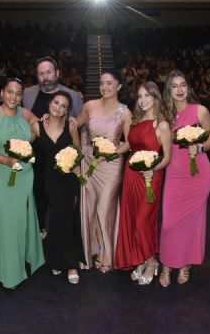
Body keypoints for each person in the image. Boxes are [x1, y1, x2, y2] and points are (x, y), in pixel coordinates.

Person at [0, 78, 44, 288]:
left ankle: (22, 259)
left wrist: (31, 137)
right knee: (5, 223)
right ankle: (9, 273)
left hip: (23, 175)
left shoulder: (24, 113)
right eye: (10, 92)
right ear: (2, 93)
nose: (14, 97)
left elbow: (36, 123)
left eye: (18, 93)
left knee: (20, 220)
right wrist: (6, 160)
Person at [158, 70, 210, 287]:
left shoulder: (200, 110)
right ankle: (166, 264)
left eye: (183, 85)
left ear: (188, 87)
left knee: (193, 223)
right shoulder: (164, 114)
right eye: (174, 86)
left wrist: (199, 146)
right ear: (169, 90)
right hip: (174, 174)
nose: (180, 90)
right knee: (169, 223)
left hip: (199, 175)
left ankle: (184, 264)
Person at [114, 81, 172, 285]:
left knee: (143, 221)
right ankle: (140, 259)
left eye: (148, 95)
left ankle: (152, 261)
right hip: (131, 175)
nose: (143, 100)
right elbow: (130, 145)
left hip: (150, 177)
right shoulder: (137, 120)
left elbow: (167, 158)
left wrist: (152, 169)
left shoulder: (162, 124)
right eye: (140, 96)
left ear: (156, 97)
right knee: (131, 219)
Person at [76, 68, 132, 273]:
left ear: (118, 86)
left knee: (104, 208)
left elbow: (129, 142)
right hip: (89, 161)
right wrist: (79, 149)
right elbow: (74, 124)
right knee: (89, 207)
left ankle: (107, 252)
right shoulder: (89, 106)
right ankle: (93, 248)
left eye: (110, 83)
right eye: (102, 83)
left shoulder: (125, 112)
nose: (105, 87)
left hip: (111, 163)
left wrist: (112, 153)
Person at [22, 56, 84, 238]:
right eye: (41, 73)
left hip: (61, 161)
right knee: (38, 198)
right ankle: (40, 232)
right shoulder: (27, 94)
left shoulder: (72, 95)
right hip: (36, 158)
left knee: (61, 204)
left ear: (57, 73)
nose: (45, 76)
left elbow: (78, 125)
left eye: (49, 72)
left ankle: (62, 238)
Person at [31, 90, 84, 284]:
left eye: (63, 106)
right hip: (49, 179)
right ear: (49, 104)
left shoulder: (71, 126)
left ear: (66, 111)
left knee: (67, 218)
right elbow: (25, 148)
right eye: (56, 103)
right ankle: (55, 259)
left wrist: (72, 161)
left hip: (68, 177)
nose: (58, 107)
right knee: (53, 219)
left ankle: (70, 264)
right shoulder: (36, 126)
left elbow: (78, 151)